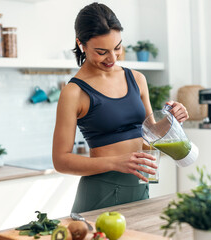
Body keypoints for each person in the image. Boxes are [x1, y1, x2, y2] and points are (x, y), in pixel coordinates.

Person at [52, 2, 188, 213]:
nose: (112, 58)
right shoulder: (73, 92)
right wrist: (116, 162)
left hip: (140, 187)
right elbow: (61, 160)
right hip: (101, 191)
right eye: (101, 51)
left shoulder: (137, 79)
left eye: (117, 48)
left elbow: (150, 133)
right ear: (81, 44)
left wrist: (172, 120)